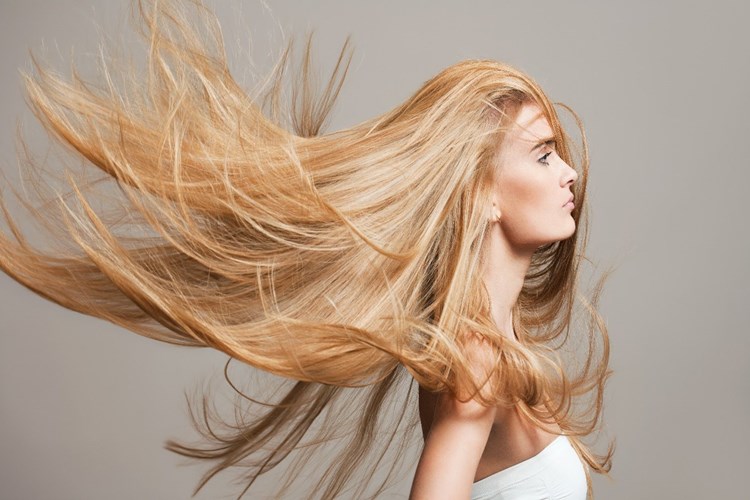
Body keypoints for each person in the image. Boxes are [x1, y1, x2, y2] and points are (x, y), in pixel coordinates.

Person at [0, 1, 614, 498]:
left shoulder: (497, 347)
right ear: (480, 194)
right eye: (543, 156)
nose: (569, 174)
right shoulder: (477, 360)